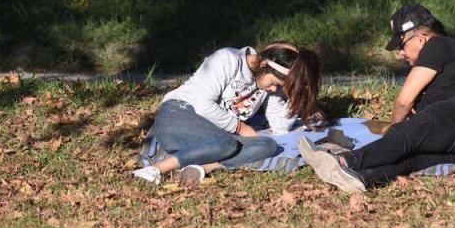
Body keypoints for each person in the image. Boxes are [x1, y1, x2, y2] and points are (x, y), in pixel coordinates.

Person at [300, 4, 455, 192]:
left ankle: (345, 161)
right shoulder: (440, 67)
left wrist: (395, 129)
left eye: (402, 44)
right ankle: (361, 177)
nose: (400, 53)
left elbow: (404, 101)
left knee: (406, 136)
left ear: (421, 39)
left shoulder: (439, 44)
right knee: (410, 160)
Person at [132, 41, 321, 186]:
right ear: (264, 64)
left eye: (278, 87)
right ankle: (156, 169)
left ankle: (204, 167)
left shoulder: (270, 85)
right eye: (273, 84)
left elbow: (279, 126)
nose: (273, 90)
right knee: (227, 143)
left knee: (268, 145)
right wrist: (240, 127)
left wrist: (292, 97)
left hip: (211, 136)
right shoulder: (228, 59)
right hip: (178, 113)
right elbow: (203, 105)